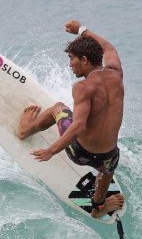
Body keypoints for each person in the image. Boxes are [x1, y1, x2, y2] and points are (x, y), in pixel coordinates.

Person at [17, 20, 125, 219]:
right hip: (109, 157)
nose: (69, 65)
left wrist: (51, 150)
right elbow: (108, 46)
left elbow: (79, 125)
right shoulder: (116, 73)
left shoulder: (82, 88)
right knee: (107, 168)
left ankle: (26, 130)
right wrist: (81, 30)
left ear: (84, 59)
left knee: (58, 108)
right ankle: (98, 207)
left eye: (72, 59)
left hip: (80, 153)